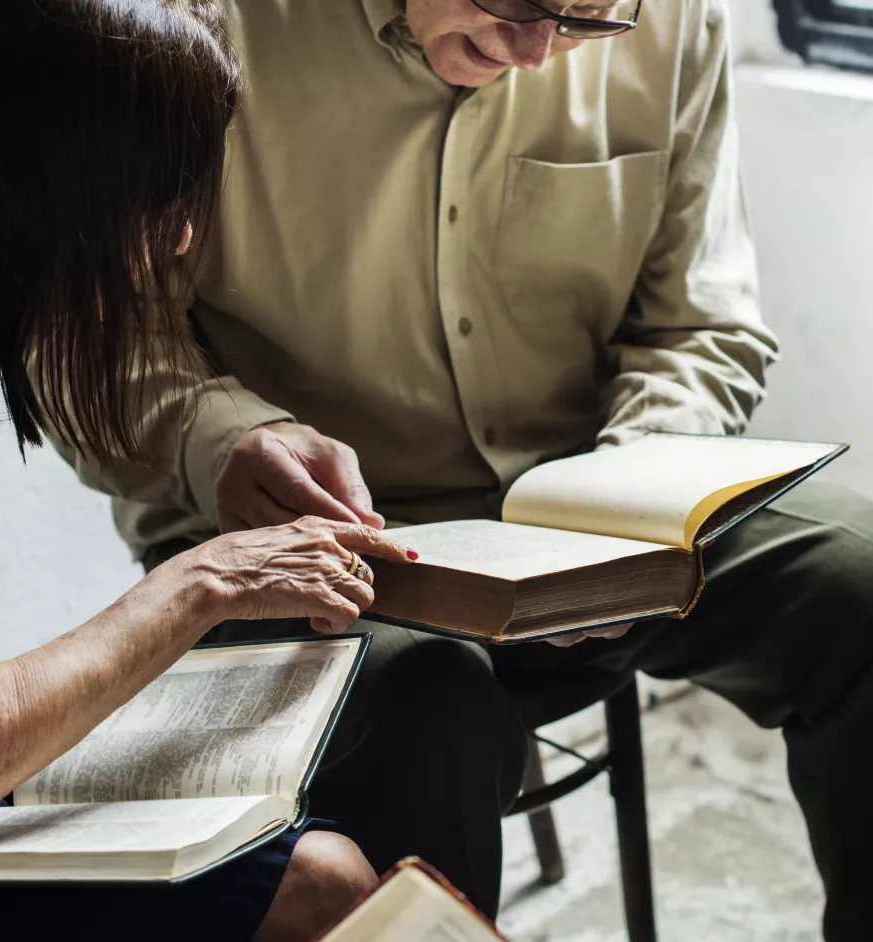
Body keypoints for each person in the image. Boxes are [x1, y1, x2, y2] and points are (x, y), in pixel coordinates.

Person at [51, 0, 873, 937]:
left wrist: (632, 491)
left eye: (584, 22)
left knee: (861, 578)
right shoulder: (200, 22)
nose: (535, 53)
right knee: (424, 703)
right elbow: (87, 327)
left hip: (580, 502)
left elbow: (701, 323)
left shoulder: (677, 19)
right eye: (517, 3)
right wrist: (219, 435)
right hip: (294, 544)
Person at [0, 2, 418, 940]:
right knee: (326, 885)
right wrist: (207, 580)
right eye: (165, 195)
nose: (178, 240)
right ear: (69, 179)